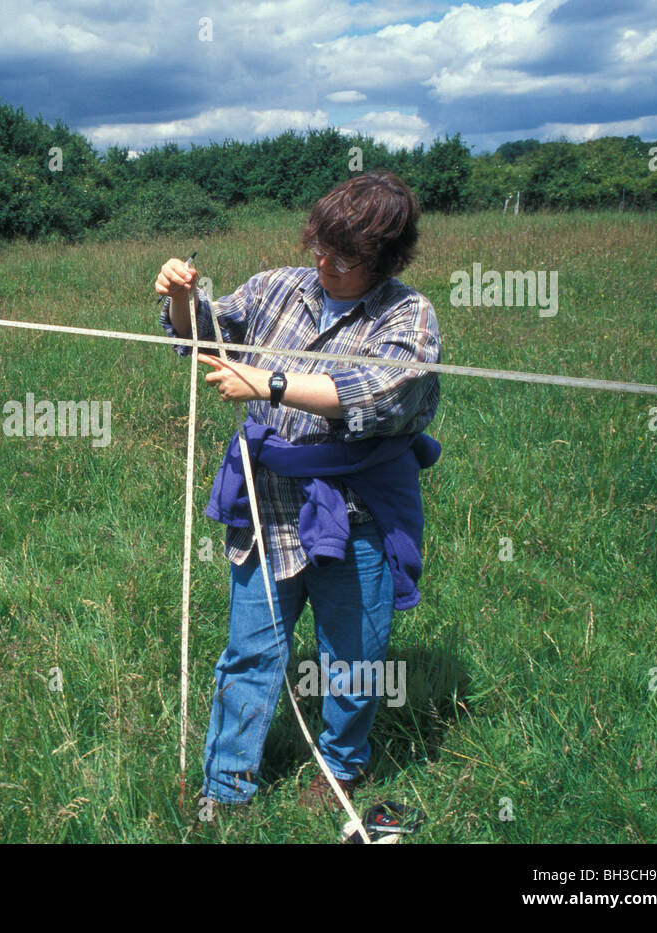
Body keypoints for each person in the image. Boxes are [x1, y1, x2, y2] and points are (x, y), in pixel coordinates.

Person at [154, 170, 441, 809]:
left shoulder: (408, 314)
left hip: (359, 510)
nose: (324, 264)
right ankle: (224, 790)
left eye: (345, 257)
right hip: (268, 505)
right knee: (249, 652)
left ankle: (341, 766)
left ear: (386, 260)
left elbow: (386, 396)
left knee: (354, 659)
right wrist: (179, 295)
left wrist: (270, 383)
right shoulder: (277, 288)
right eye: (320, 247)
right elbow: (203, 337)